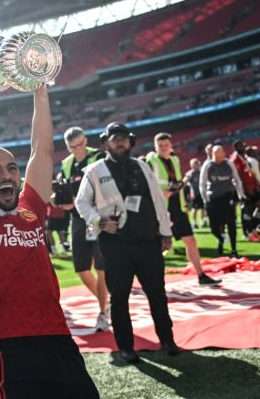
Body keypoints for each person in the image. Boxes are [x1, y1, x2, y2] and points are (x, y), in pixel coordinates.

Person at [0, 48, 99, 398]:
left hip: (59, 340)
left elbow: (42, 151)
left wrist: (39, 87)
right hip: (9, 349)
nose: (6, 174)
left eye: (12, 168)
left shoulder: (30, 206)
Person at [76, 122, 180, 364]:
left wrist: (166, 233)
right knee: (119, 297)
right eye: (115, 139)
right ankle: (126, 347)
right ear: (105, 143)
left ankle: (167, 340)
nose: (120, 142)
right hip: (115, 245)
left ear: (130, 141)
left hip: (148, 242)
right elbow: (82, 203)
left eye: (123, 138)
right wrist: (99, 222)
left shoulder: (143, 167)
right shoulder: (94, 171)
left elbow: (157, 202)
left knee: (157, 294)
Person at [146, 133, 220, 286]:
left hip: (177, 207)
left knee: (190, 240)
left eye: (166, 145)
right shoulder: (151, 160)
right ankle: (151, 280)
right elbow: (146, 185)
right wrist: (161, 194)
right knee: (157, 247)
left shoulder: (175, 159)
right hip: (161, 209)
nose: (164, 148)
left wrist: (184, 204)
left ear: (171, 145)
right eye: (160, 145)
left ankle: (201, 276)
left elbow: (178, 183)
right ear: (155, 147)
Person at [59, 126, 109, 331]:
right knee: (81, 268)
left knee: (101, 268)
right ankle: (105, 302)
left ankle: (103, 312)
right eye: (72, 147)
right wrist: (60, 200)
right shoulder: (66, 163)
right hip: (77, 219)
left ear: (86, 140)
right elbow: (63, 189)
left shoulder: (99, 156)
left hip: (98, 216)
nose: (78, 150)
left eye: (80, 145)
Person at [199, 145, 245, 258]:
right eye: (216, 155)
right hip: (213, 198)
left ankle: (233, 249)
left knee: (231, 223)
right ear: (212, 154)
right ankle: (221, 239)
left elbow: (237, 180)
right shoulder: (207, 165)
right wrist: (205, 199)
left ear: (224, 154)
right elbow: (202, 183)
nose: (218, 157)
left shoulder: (229, 164)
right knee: (214, 227)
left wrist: (240, 195)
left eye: (220, 154)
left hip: (227, 196)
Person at [230, 140, 260, 241]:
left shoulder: (243, 158)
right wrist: (246, 188)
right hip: (243, 189)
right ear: (236, 147)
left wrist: (255, 184)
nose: (244, 146)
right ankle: (247, 233)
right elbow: (238, 176)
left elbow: (249, 172)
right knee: (246, 210)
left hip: (251, 186)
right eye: (241, 146)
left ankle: (252, 229)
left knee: (254, 207)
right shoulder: (235, 159)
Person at [184, 158, 207, 228]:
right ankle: (193, 222)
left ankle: (203, 221)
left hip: (202, 193)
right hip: (195, 193)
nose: (193, 166)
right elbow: (185, 183)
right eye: (192, 165)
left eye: (194, 164)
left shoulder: (201, 172)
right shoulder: (189, 174)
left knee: (203, 208)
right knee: (195, 208)